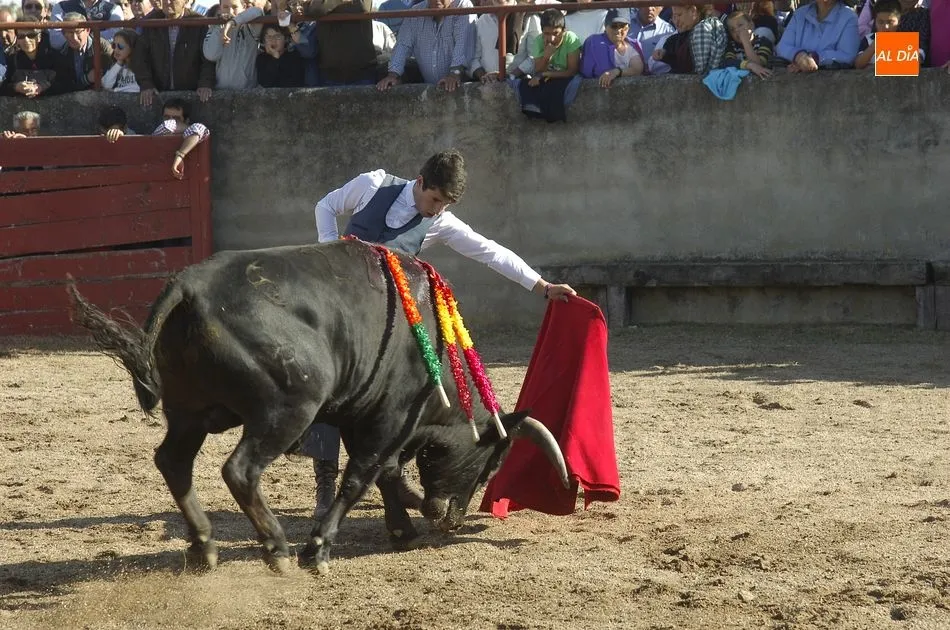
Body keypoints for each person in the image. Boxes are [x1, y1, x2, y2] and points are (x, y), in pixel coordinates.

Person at [307, 149, 576, 520]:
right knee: (328, 381)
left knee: (403, 389)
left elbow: (488, 251)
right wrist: (329, 253)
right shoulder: (372, 184)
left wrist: (542, 286)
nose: (436, 210)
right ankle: (325, 484)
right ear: (420, 182)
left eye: (445, 204)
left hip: (383, 323)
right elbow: (325, 206)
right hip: (340, 308)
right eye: (434, 200)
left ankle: (395, 476)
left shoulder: (440, 221)